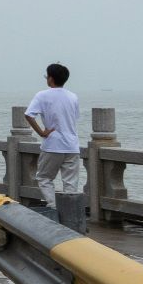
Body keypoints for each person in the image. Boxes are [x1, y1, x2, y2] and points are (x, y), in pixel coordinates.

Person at [24, 63, 83, 212]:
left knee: (44, 178)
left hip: (53, 145)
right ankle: (70, 213)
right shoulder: (73, 96)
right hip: (72, 146)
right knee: (70, 183)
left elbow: (29, 114)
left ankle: (53, 207)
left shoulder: (42, 95)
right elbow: (74, 118)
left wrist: (41, 132)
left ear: (50, 78)